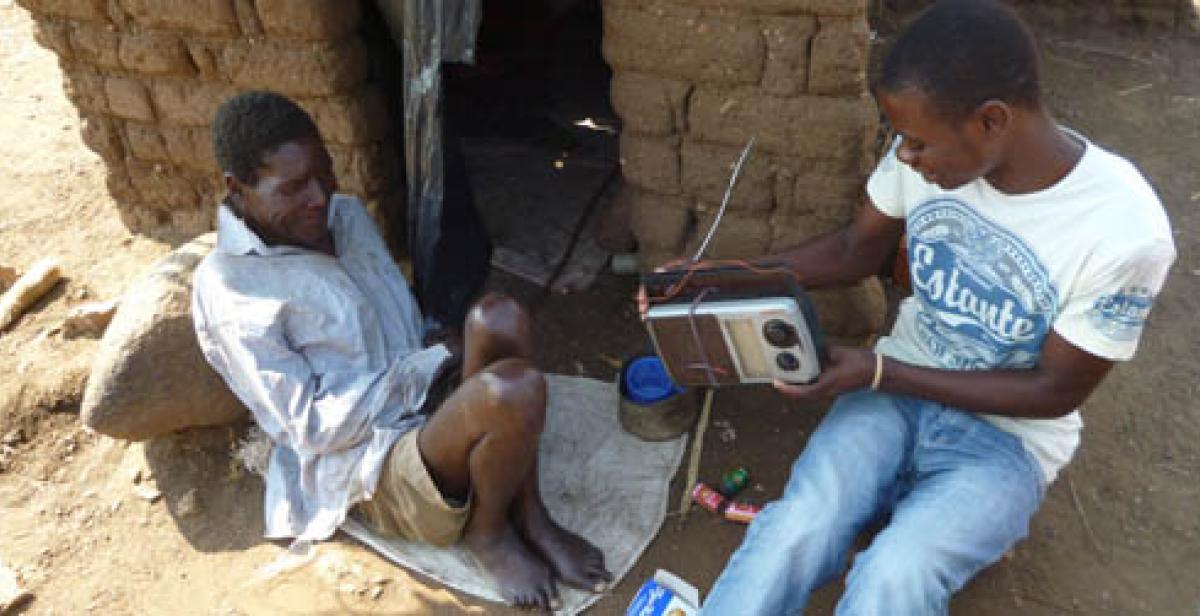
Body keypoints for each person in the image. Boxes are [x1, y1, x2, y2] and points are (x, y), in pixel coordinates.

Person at [690, 2, 1176, 614]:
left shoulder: (1123, 231)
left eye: (919, 143)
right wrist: (719, 278)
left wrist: (876, 372)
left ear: (991, 122)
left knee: (897, 571)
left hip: (1007, 442)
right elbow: (852, 249)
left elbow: (1054, 391)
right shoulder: (921, 157)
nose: (906, 156)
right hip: (892, 398)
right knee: (799, 526)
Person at [191, 91, 611, 611]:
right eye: (294, 187)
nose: (319, 197)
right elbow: (313, 430)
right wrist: (430, 364)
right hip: (370, 461)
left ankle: (531, 514)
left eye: (325, 173)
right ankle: (488, 532)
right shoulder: (232, 292)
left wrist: (436, 352)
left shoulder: (343, 217)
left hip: (425, 401)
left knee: (500, 316)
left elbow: (394, 317)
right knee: (514, 392)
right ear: (238, 188)